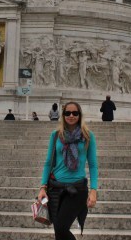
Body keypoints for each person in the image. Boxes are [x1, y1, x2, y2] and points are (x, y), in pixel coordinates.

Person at [37, 102, 98, 239]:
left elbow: (93, 165)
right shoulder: (56, 135)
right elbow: (48, 163)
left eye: (75, 113)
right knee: (59, 233)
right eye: (67, 113)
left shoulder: (87, 136)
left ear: (80, 115)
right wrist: (42, 187)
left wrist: (93, 190)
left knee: (61, 227)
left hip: (77, 189)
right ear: (63, 115)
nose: (71, 116)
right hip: (55, 189)